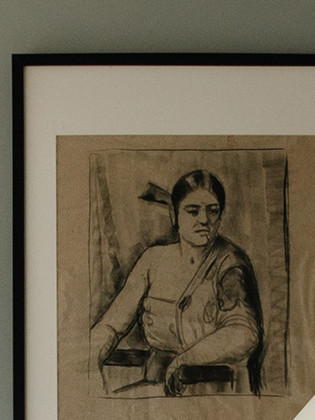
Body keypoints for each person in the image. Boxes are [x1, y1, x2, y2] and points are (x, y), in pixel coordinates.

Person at [89, 169, 263, 395]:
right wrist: (90, 360)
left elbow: (244, 332)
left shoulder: (230, 263)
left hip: (216, 392)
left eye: (213, 211)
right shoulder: (153, 260)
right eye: (192, 211)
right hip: (157, 388)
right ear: (174, 214)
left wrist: (186, 360)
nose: (204, 220)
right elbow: (111, 324)